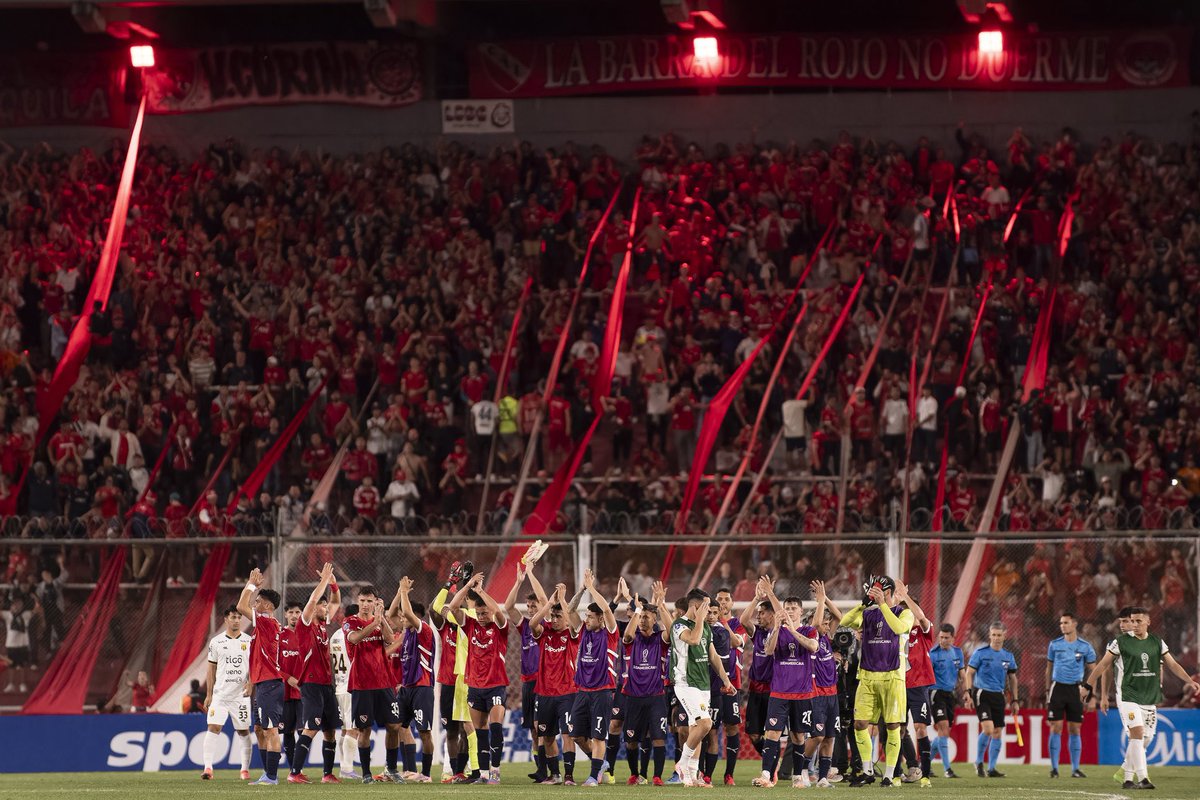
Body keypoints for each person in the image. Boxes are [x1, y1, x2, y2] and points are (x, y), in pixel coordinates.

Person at [1091, 607, 1200, 790]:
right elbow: (1105, 669)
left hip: (1147, 696)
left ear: (1148, 622)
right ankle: (1143, 778)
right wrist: (1102, 695)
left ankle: (1125, 773)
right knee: (1138, 734)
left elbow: (1165, 664)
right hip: (1126, 695)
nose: (1129, 625)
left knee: (1146, 739)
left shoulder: (1154, 642)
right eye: (1126, 621)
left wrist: (1185, 681)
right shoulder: (1118, 643)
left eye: (1133, 621)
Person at [840, 575, 915, 787]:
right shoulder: (868, 613)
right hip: (867, 675)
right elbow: (845, 622)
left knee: (892, 726)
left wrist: (882, 605)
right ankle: (867, 770)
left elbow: (899, 629)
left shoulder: (904, 613)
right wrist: (864, 603)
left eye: (877, 590)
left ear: (888, 591)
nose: (873, 593)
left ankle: (890, 775)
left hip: (893, 677)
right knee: (860, 723)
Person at [752, 585, 819, 788]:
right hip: (779, 692)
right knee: (771, 732)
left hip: (802, 693)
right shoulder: (777, 630)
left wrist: (792, 630)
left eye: (793, 608)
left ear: (800, 611)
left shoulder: (809, 630)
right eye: (786, 608)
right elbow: (769, 650)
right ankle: (766, 775)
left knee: (798, 735)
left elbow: (813, 646)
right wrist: (778, 629)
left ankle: (798, 776)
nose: (789, 611)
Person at [447, 570, 510, 784]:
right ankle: (483, 774)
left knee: (496, 727)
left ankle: (496, 770)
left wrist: (481, 590)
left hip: (496, 685)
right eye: (479, 613)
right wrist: (468, 587)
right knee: (480, 731)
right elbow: (453, 607)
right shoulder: (470, 626)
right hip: (474, 686)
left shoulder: (500, 628)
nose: (482, 617)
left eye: (485, 613)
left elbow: (498, 611)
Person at [670, 586, 736, 787]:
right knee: (705, 724)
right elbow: (693, 639)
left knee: (696, 728)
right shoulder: (679, 625)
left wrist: (726, 681)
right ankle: (682, 764)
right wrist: (699, 618)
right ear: (697, 606)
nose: (710, 611)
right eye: (707, 606)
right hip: (686, 683)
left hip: (704, 685)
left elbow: (713, 656)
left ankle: (693, 775)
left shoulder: (706, 627)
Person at [286, 562, 342, 784]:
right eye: (322, 605)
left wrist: (333, 584)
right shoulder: (305, 625)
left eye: (325, 605)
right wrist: (323, 582)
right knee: (310, 728)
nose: (325, 608)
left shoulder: (322, 625)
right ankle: (294, 773)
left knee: (330, 731)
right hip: (310, 684)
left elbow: (336, 600)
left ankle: (327, 774)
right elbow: (310, 602)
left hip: (327, 684)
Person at [343, 585, 403, 783]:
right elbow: (355, 639)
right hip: (361, 683)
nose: (365, 604)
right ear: (357, 601)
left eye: (370, 601)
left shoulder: (379, 620)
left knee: (394, 726)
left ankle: (391, 769)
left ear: (376, 602)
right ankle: (367, 773)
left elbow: (389, 638)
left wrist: (382, 618)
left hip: (384, 682)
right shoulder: (349, 622)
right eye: (362, 600)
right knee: (365, 729)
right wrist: (374, 622)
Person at [566, 568, 619, 786]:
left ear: (600, 619)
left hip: (602, 691)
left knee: (598, 736)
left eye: (590, 616)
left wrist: (592, 588)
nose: (586, 619)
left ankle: (593, 776)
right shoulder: (584, 631)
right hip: (582, 691)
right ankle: (600, 764)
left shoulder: (610, 634)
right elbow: (570, 610)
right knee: (577, 736)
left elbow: (606, 609)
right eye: (586, 616)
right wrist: (580, 590)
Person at [620, 580, 673, 785]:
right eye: (641, 617)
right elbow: (626, 634)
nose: (642, 620)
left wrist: (661, 605)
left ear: (654, 620)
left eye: (646, 618)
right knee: (632, 740)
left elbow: (671, 629)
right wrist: (638, 610)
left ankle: (657, 776)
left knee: (658, 737)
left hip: (656, 697)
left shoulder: (661, 639)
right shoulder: (632, 639)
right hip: (633, 696)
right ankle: (634, 773)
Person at [235, 568, 284, 785]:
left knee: (271, 730)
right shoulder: (264, 626)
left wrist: (251, 583)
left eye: (258, 600)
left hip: (270, 684)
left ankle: (271, 776)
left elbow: (240, 606)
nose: (255, 603)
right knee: (260, 729)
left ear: (268, 606)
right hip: (262, 683)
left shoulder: (266, 622)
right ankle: (267, 774)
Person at [529, 581, 579, 785]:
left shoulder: (572, 634)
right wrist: (550, 603)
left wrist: (563, 601)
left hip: (567, 692)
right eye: (554, 616)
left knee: (568, 735)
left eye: (560, 616)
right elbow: (532, 624)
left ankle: (568, 776)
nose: (555, 619)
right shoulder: (545, 633)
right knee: (547, 737)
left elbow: (574, 623)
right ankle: (555, 775)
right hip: (544, 693)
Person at [387, 576, 436, 782]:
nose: (401, 619)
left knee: (424, 732)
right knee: (396, 726)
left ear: (414, 617)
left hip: (422, 687)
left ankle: (425, 774)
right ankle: (401, 769)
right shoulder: (406, 633)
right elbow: (391, 614)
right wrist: (399, 591)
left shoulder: (423, 630)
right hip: (406, 688)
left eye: (405, 618)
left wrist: (405, 592)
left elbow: (405, 612)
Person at [502, 564, 548, 781]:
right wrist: (518, 582)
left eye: (533, 605)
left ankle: (549, 770)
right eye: (528, 606)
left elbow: (545, 600)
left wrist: (531, 573)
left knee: (542, 726)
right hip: (527, 682)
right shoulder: (526, 626)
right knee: (533, 729)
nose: (530, 609)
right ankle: (542, 768)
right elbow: (509, 606)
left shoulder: (547, 625)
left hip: (545, 682)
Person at [201, 605, 254, 780]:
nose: (237, 620)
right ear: (226, 619)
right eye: (233, 617)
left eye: (239, 617)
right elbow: (211, 669)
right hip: (221, 695)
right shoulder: (216, 642)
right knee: (214, 727)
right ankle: (208, 768)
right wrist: (209, 694)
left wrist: (251, 682)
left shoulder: (249, 641)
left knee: (243, 731)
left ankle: (244, 770)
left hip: (241, 696)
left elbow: (255, 665)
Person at [1044, 612, 1096, 779]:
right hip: (1057, 688)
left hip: (1076, 689)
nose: (1062, 626)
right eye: (1061, 623)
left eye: (1066, 623)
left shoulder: (1085, 646)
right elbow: (1048, 669)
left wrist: (1091, 694)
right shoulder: (1054, 645)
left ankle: (1075, 769)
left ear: (1074, 624)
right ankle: (1054, 769)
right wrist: (1047, 691)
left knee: (1075, 729)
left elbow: (1093, 671)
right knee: (1055, 727)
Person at [964, 622, 1018, 778]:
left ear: (1004, 635)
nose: (996, 638)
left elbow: (1013, 678)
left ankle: (992, 768)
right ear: (989, 635)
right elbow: (969, 673)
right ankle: (979, 761)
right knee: (988, 729)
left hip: (998, 695)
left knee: (997, 732)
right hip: (982, 693)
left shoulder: (1008, 656)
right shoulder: (980, 653)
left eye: (999, 635)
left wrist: (1015, 700)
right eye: (993, 635)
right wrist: (968, 692)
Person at [895, 580, 935, 787]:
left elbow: (920, 616)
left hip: (918, 686)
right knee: (898, 728)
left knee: (920, 727)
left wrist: (904, 598)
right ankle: (897, 773)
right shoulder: (896, 633)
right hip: (898, 684)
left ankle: (925, 774)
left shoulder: (924, 632)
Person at [737, 580, 775, 762]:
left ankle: (771, 768)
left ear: (772, 614)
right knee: (754, 734)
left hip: (773, 689)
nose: (758, 616)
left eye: (762, 613)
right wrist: (756, 598)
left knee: (773, 732)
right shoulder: (758, 632)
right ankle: (771, 761)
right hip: (755, 689)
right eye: (758, 613)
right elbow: (743, 620)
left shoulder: (781, 632)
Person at [711, 588, 745, 786]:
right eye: (719, 599)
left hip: (732, 682)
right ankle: (705, 774)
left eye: (726, 599)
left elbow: (734, 643)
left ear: (732, 603)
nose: (723, 602)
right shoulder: (707, 624)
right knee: (710, 728)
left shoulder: (736, 624)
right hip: (710, 684)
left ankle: (729, 774)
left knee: (731, 726)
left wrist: (723, 621)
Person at [328, 603, 360, 779]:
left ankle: (344, 766)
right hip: (351, 685)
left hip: (339, 685)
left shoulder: (335, 635)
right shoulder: (352, 635)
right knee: (353, 729)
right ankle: (347, 769)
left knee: (345, 728)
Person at [927, 623, 965, 778]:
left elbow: (962, 673)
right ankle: (947, 769)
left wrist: (967, 692)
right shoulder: (933, 653)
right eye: (941, 637)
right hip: (936, 693)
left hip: (950, 695)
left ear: (953, 638)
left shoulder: (957, 653)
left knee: (945, 731)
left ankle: (924, 764)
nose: (943, 640)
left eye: (946, 638)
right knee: (943, 728)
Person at [279, 601, 303, 769]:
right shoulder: (279, 635)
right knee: (288, 731)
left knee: (304, 731)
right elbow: (272, 663)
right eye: (291, 612)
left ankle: (298, 767)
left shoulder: (307, 634)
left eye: (298, 612)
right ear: (286, 614)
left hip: (303, 691)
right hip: (285, 692)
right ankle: (293, 769)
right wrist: (288, 678)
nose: (295, 615)